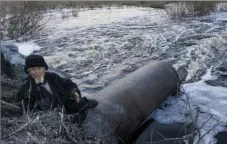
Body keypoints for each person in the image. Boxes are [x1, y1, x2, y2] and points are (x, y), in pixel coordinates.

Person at [16, 54, 98, 116]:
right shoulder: (25, 89)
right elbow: (29, 110)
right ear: (28, 71)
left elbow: (68, 84)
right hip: (52, 115)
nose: (37, 72)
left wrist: (74, 92)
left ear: (44, 69)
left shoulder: (52, 77)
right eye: (33, 69)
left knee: (91, 103)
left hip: (65, 104)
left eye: (39, 68)